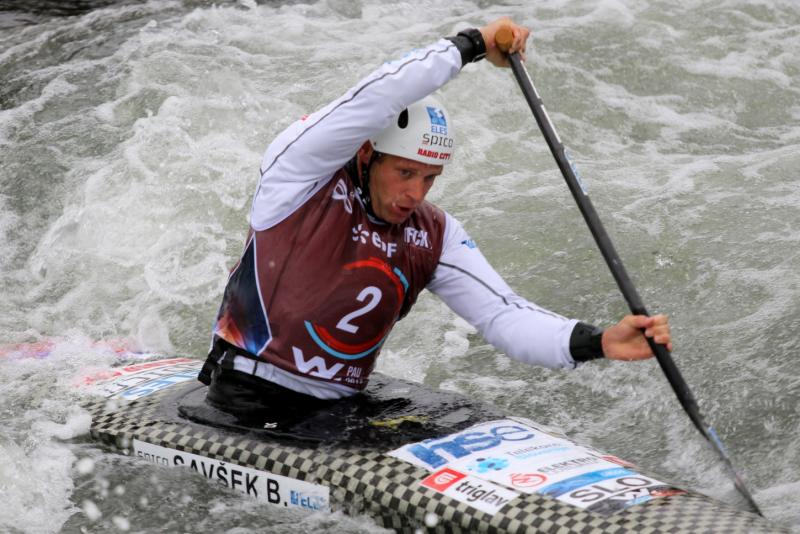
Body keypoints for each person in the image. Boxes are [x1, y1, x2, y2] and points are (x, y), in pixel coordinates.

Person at [198, 18, 672, 415]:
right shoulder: (299, 178)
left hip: (341, 410)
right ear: (367, 154)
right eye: (404, 172)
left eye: (429, 178)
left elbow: (502, 315)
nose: (414, 193)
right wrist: (473, 45)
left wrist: (599, 341)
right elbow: (376, 95)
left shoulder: (434, 234)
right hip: (247, 398)